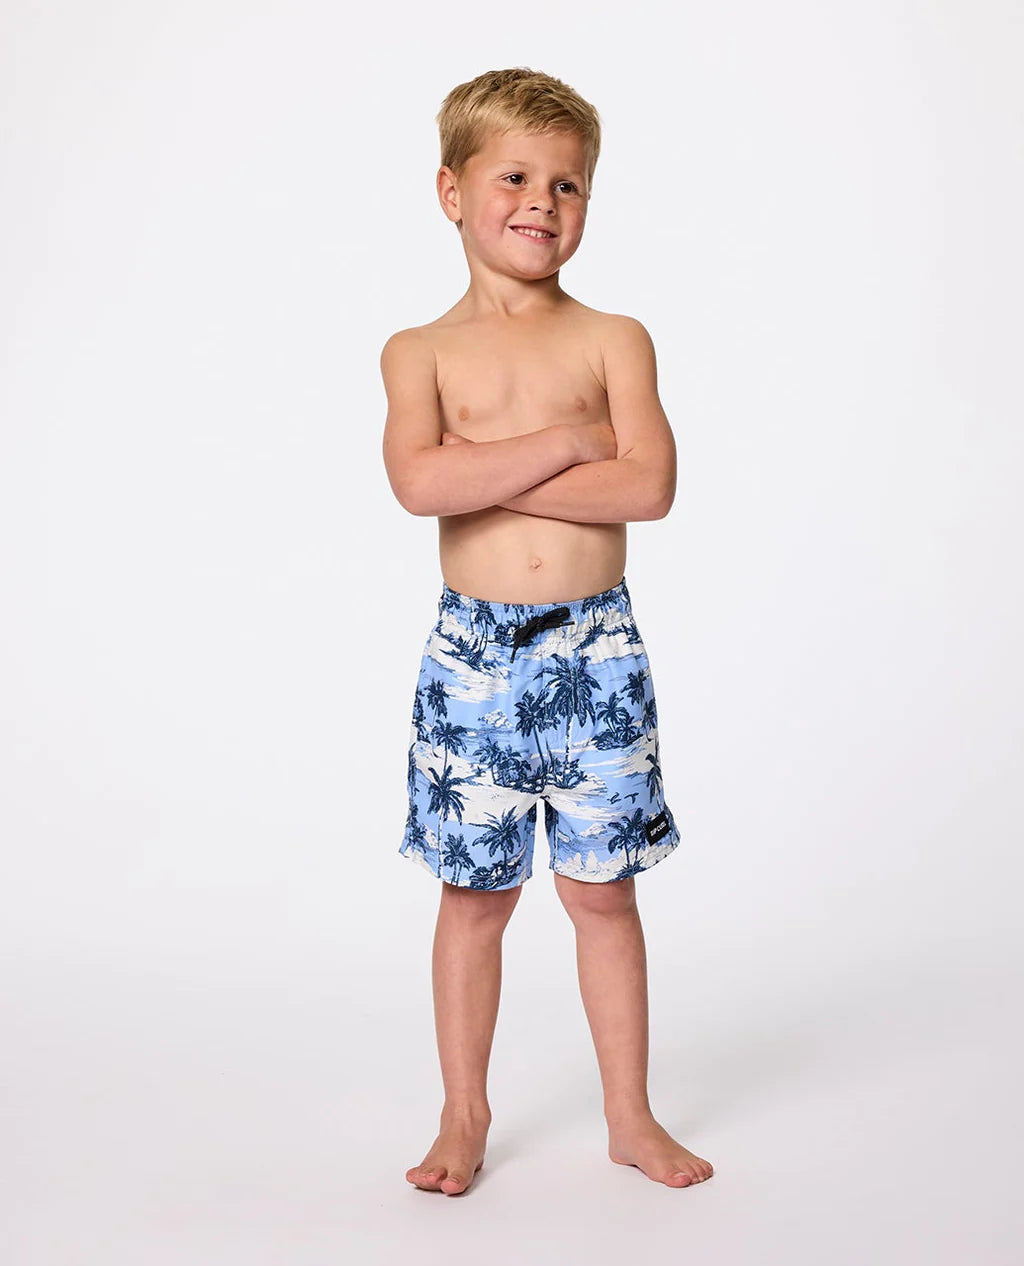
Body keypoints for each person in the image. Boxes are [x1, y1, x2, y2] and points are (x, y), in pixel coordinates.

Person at [381, 67, 713, 1196]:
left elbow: (649, 488)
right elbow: (419, 484)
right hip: (472, 661)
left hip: (596, 651)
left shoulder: (614, 338)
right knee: (474, 897)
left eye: (566, 184)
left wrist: (486, 469)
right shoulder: (419, 351)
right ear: (452, 192)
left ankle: (629, 1114)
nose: (541, 201)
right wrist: (573, 445)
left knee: (602, 891)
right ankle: (463, 1114)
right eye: (515, 177)